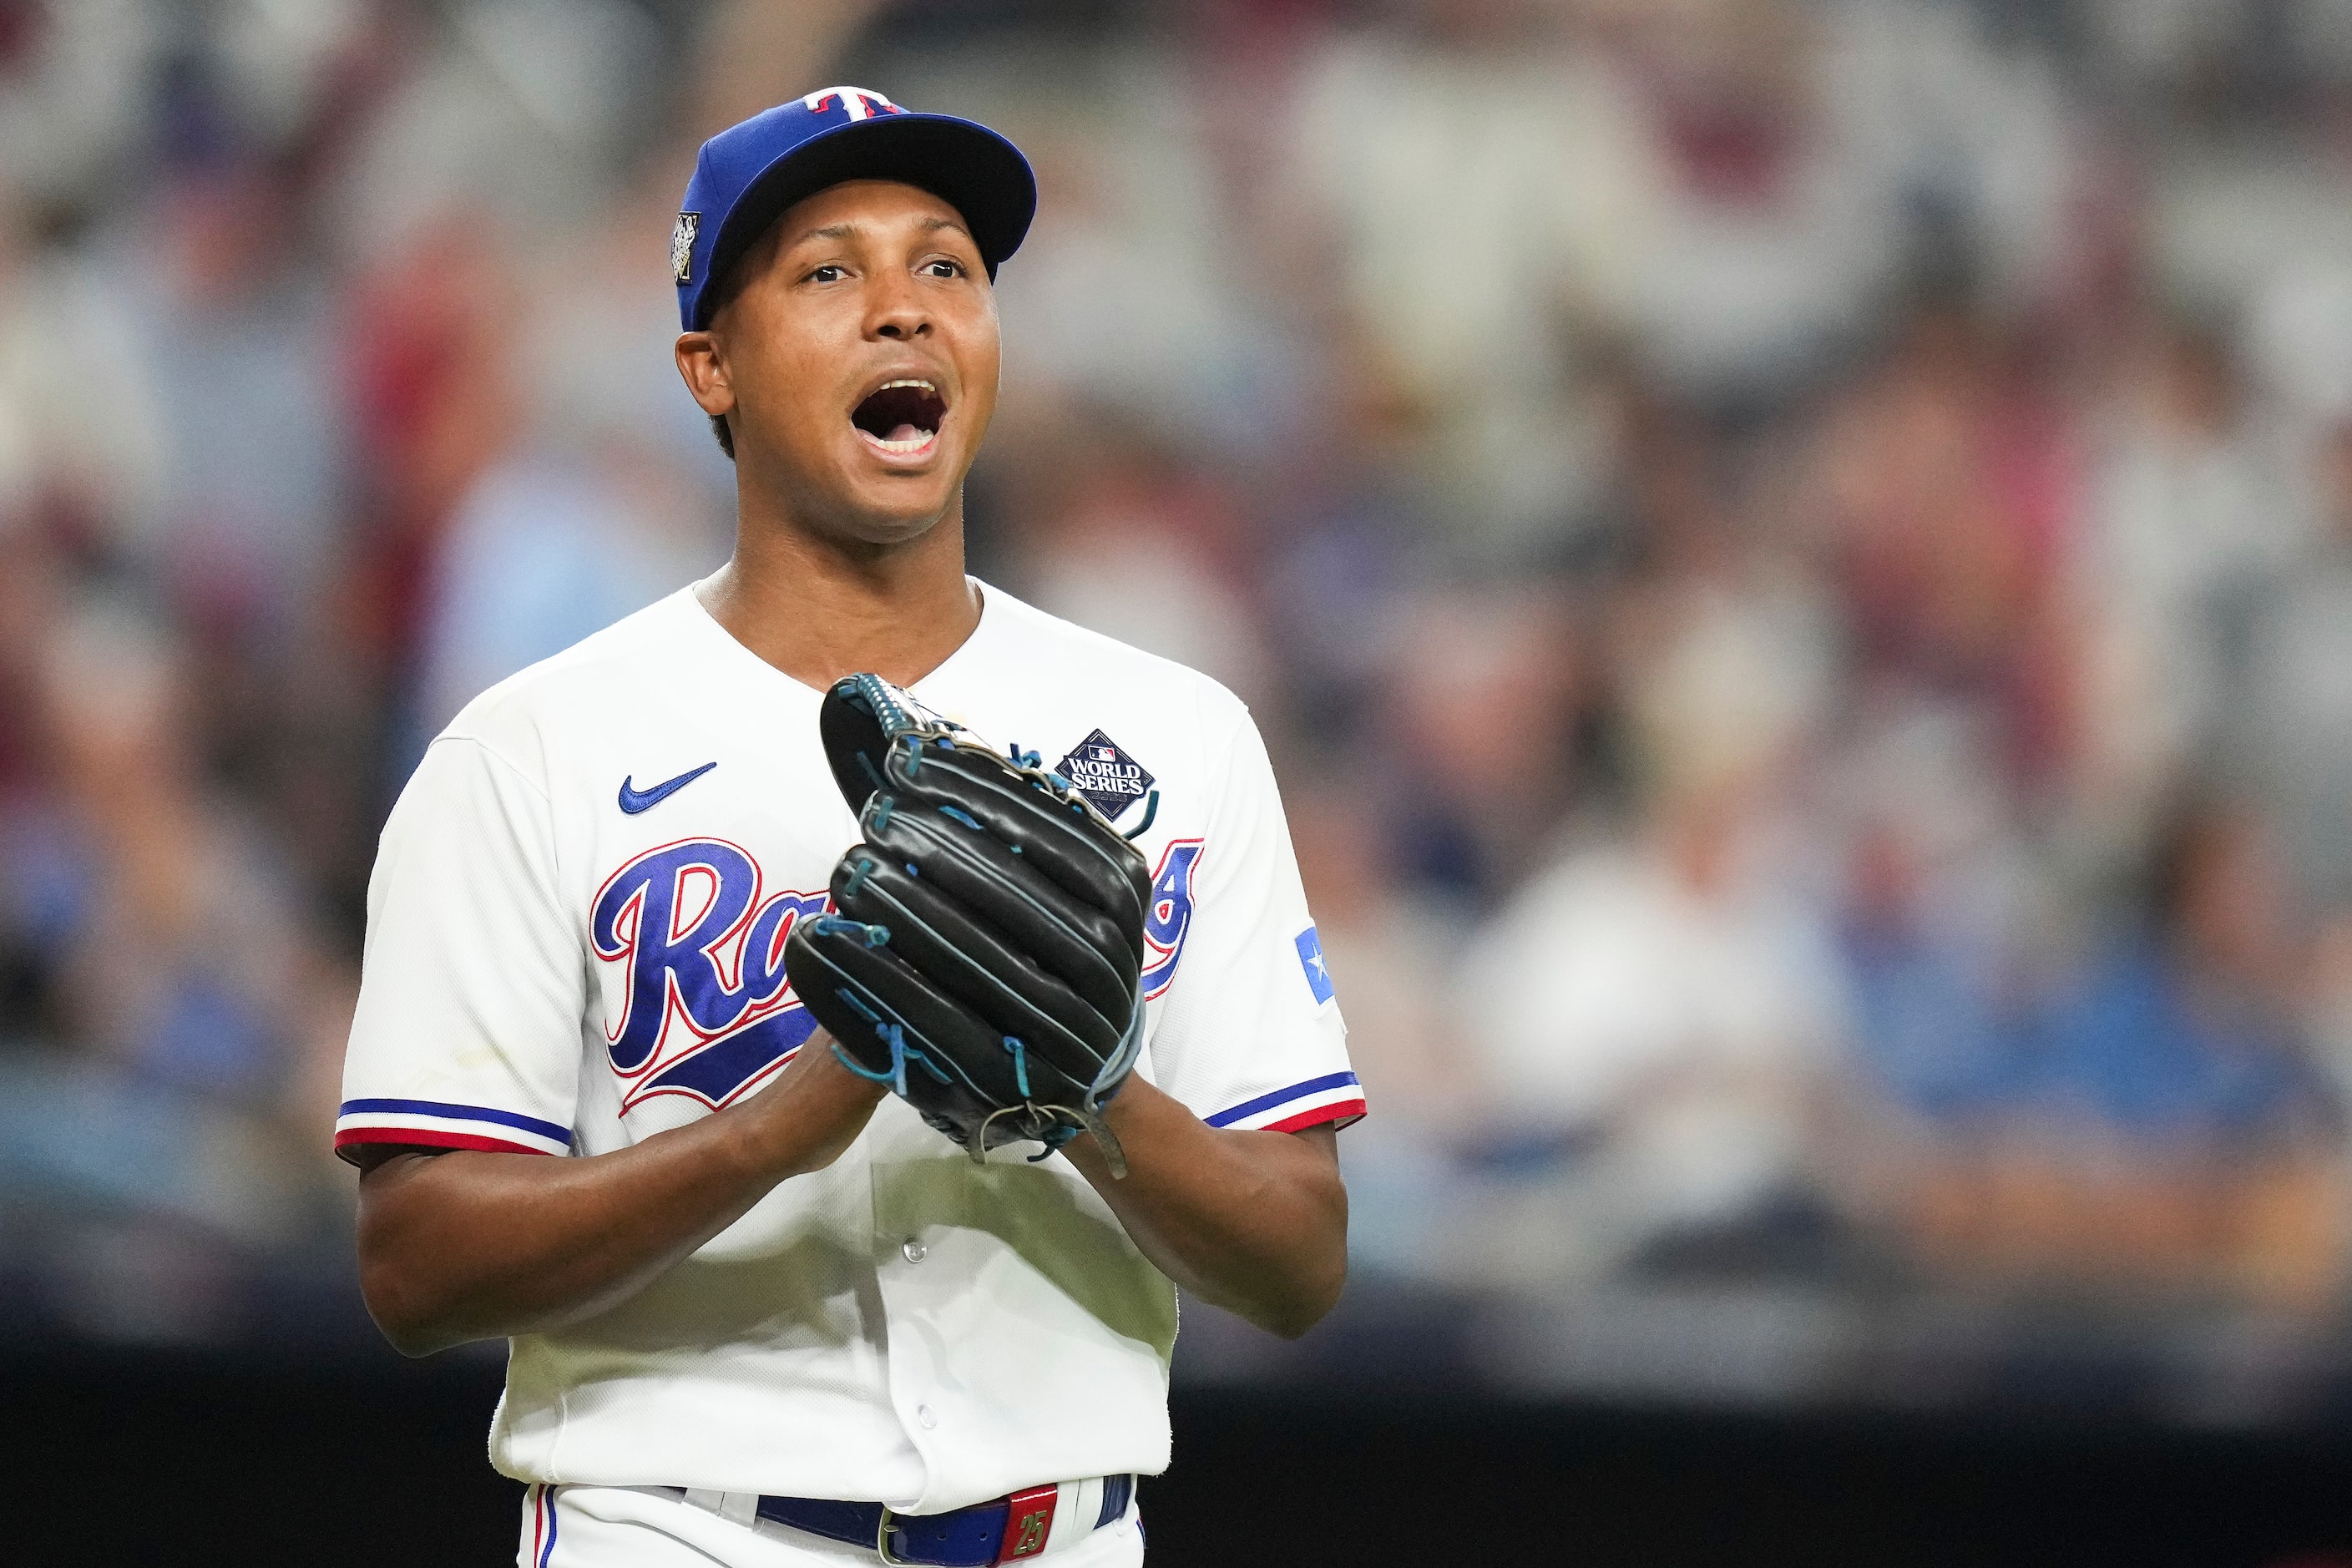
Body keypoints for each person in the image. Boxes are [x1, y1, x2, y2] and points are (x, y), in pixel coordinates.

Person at [335, 88, 1362, 1567]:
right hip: (679, 1533)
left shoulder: (1179, 730)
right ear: (711, 366)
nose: (904, 311)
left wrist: (1093, 1095)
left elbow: (1299, 1260)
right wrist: (786, 1123)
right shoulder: (530, 748)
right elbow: (415, 1262)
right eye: (829, 272)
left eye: (946, 267)